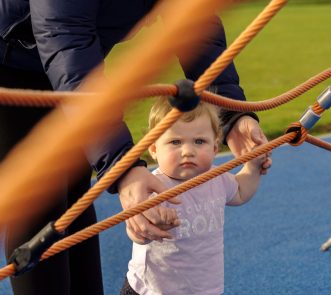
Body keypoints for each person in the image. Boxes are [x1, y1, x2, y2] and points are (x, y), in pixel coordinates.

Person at [0, 1, 271, 294]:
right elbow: (65, 39)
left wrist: (231, 114)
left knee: (75, 194)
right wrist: (123, 164)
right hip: (12, 61)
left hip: (66, 59)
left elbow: (196, 25)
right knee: (40, 197)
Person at [120, 97, 265, 295]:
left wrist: (253, 166)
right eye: (175, 142)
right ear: (154, 149)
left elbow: (240, 192)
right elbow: (136, 231)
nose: (188, 151)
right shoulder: (153, 187)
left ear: (214, 148)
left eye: (199, 141)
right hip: (152, 290)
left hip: (203, 288)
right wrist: (146, 229)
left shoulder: (216, 178)